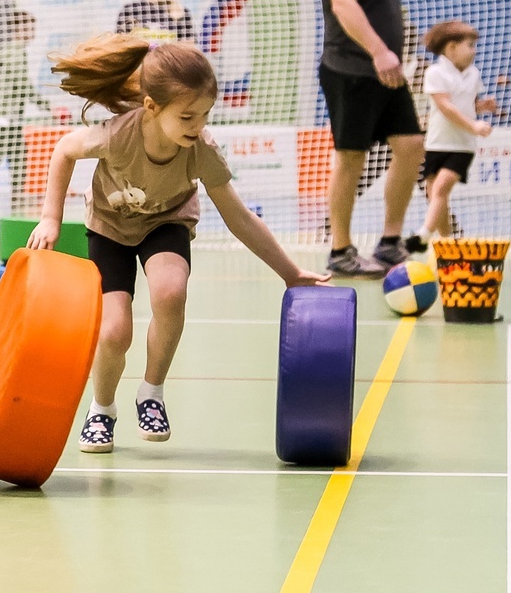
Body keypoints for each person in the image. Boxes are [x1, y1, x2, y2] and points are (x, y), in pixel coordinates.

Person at [26, 35, 328, 453]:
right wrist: (50, 217)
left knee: (171, 293)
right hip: (109, 229)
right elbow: (63, 151)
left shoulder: (201, 150)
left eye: (204, 115)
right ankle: (102, 409)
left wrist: (290, 273)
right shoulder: (116, 135)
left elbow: (239, 217)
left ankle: (151, 393)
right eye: (187, 117)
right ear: (151, 107)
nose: (198, 126)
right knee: (114, 332)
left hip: (166, 222)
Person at [317, 0, 425, 277]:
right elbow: (344, 5)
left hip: (384, 74)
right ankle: (340, 250)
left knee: (412, 145)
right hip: (352, 70)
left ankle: (389, 242)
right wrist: (380, 51)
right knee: (351, 159)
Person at [403, 21, 498, 254]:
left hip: (462, 146)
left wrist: (482, 106)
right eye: (470, 45)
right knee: (436, 195)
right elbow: (445, 107)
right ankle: (448, 245)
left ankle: (423, 235)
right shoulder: (434, 73)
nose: (474, 50)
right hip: (436, 143)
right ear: (451, 47)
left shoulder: (473, 74)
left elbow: (467, 103)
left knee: (441, 189)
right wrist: (474, 125)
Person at [0, 11, 51, 206]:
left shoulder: (17, 51)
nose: (31, 32)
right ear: (18, 30)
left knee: (19, 159)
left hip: (14, 120)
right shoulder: (14, 52)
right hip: (4, 119)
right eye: (28, 27)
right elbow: (22, 82)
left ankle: (17, 201)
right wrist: (45, 104)